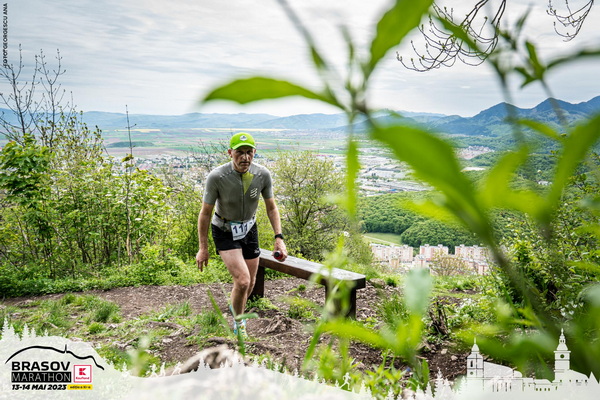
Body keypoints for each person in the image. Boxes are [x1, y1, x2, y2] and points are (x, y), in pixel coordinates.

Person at [196, 132, 287, 338]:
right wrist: (203, 248)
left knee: (251, 282)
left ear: (254, 152)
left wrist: (279, 237)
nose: (245, 157)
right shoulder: (217, 177)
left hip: (249, 229)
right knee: (243, 281)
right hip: (224, 230)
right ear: (230, 153)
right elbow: (205, 213)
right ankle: (239, 323)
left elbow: (271, 207)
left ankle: (236, 306)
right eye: (239, 152)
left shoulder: (262, 174)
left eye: (249, 152)